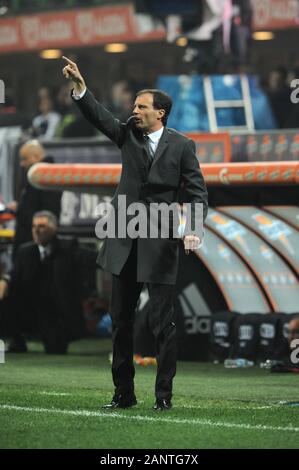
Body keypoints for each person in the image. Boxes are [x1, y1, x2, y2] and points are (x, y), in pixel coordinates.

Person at [62, 56, 208, 411]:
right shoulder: (126, 132)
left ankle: (163, 397)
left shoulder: (183, 146)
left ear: (161, 113)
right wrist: (81, 89)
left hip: (159, 239)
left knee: (163, 325)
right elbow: (99, 116)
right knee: (121, 322)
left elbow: (197, 192)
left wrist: (194, 230)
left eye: (142, 106)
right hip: (124, 239)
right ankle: (123, 394)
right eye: (135, 105)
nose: (135, 110)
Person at [0, 211, 96, 354]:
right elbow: (13, 276)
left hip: (58, 314)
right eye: (34, 227)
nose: (37, 231)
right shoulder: (25, 252)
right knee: (5, 294)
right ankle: (16, 340)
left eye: (42, 226)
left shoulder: (69, 247)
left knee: (55, 349)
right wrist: (4, 280)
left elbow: (95, 259)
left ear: (54, 229)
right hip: (31, 310)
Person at [6, 139, 61, 260]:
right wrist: (19, 206)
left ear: (35, 157)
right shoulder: (37, 176)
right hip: (30, 246)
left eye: (24, 158)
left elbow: (47, 213)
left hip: (34, 249)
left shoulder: (46, 176)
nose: (21, 164)